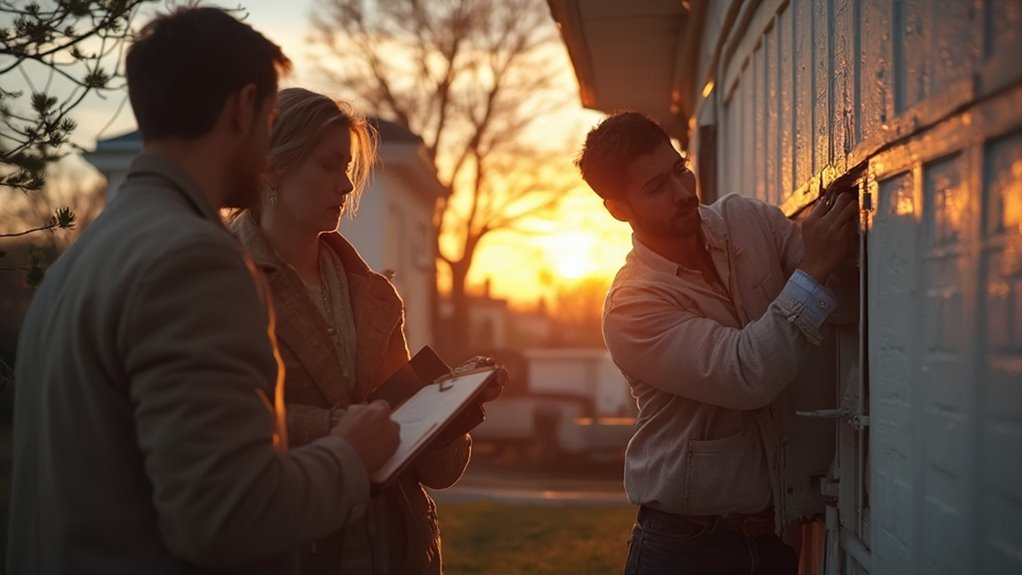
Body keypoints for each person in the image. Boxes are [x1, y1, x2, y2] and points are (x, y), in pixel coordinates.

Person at [7, 8, 399, 574]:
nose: (271, 144)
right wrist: (349, 457)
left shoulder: (83, 259)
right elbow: (226, 515)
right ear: (244, 109)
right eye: (269, 118)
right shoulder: (195, 261)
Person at [230, 87, 501, 574]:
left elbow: (430, 468)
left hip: (391, 550)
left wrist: (450, 409)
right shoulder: (219, 278)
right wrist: (345, 432)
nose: (347, 186)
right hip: (285, 547)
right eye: (329, 165)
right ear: (271, 165)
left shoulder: (373, 296)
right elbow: (222, 420)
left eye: (350, 169)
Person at [575, 112, 858, 575]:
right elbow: (748, 375)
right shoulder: (631, 306)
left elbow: (839, 300)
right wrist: (814, 271)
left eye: (679, 168)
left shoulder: (748, 220)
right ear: (617, 209)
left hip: (777, 538)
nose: (683, 191)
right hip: (685, 547)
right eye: (655, 187)